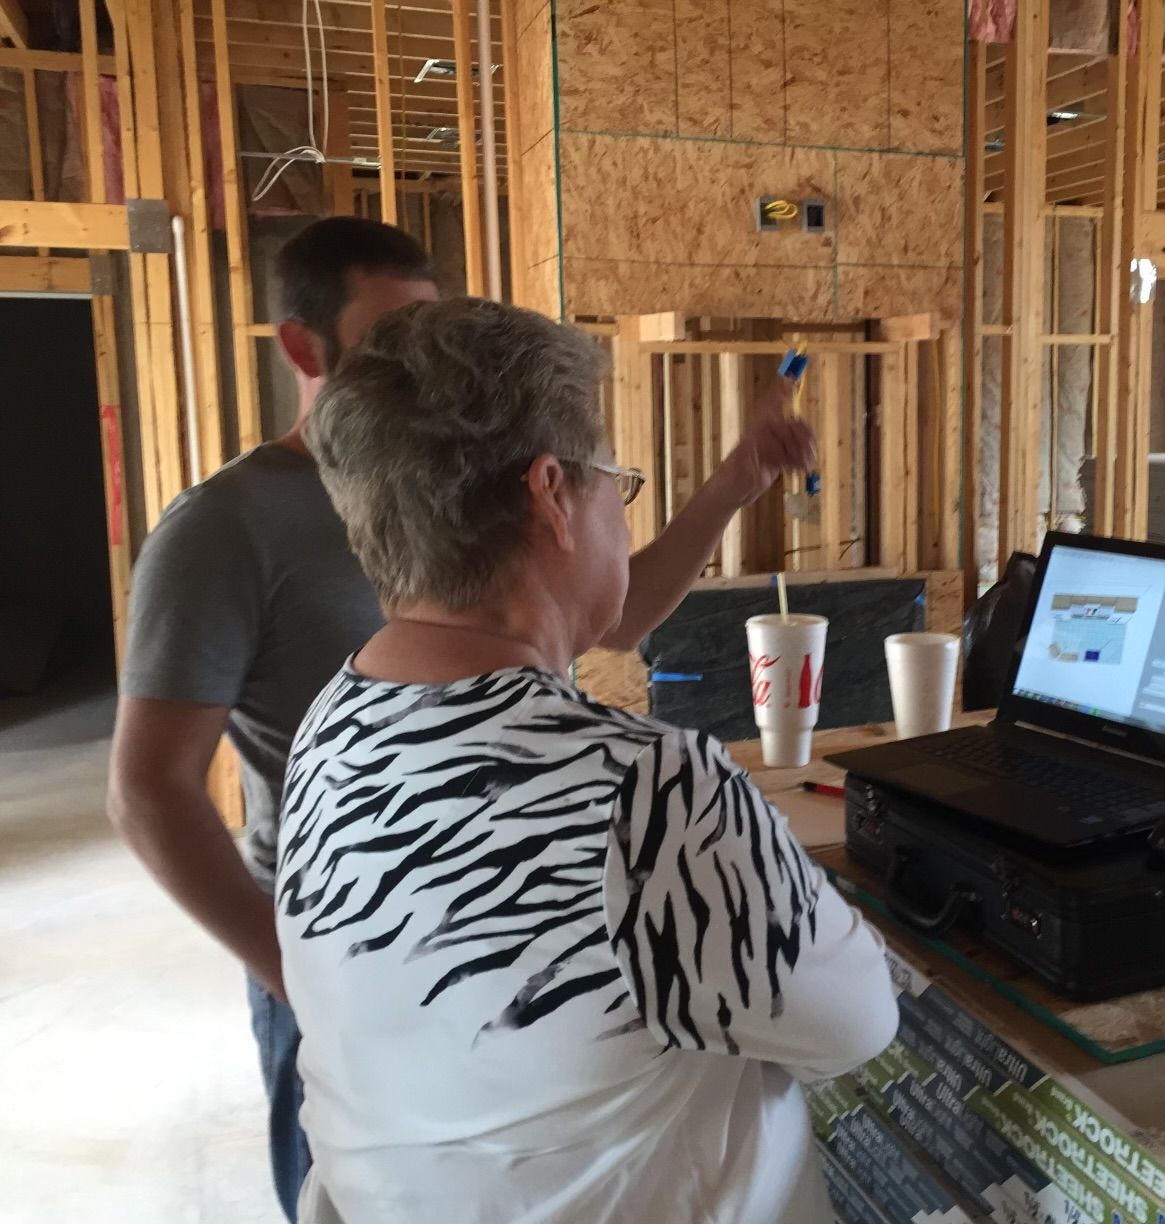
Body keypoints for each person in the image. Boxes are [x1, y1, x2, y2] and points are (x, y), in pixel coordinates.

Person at [105, 218, 817, 1222]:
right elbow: (148, 790)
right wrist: (303, 976)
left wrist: (736, 482)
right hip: (347, 944)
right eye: (392, 337)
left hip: (507, 936)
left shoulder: (461, 495)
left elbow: (609, 619)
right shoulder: (223, 530)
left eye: (431, 330)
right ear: (303, 346)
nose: (423, 362)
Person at [278, 296, 897, 1223]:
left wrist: (734, 483)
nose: (621, 505)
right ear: (551, 495)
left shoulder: (332, 730)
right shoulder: (648, 795)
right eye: (616, 479)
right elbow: (859, 1023)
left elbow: (607, 616)